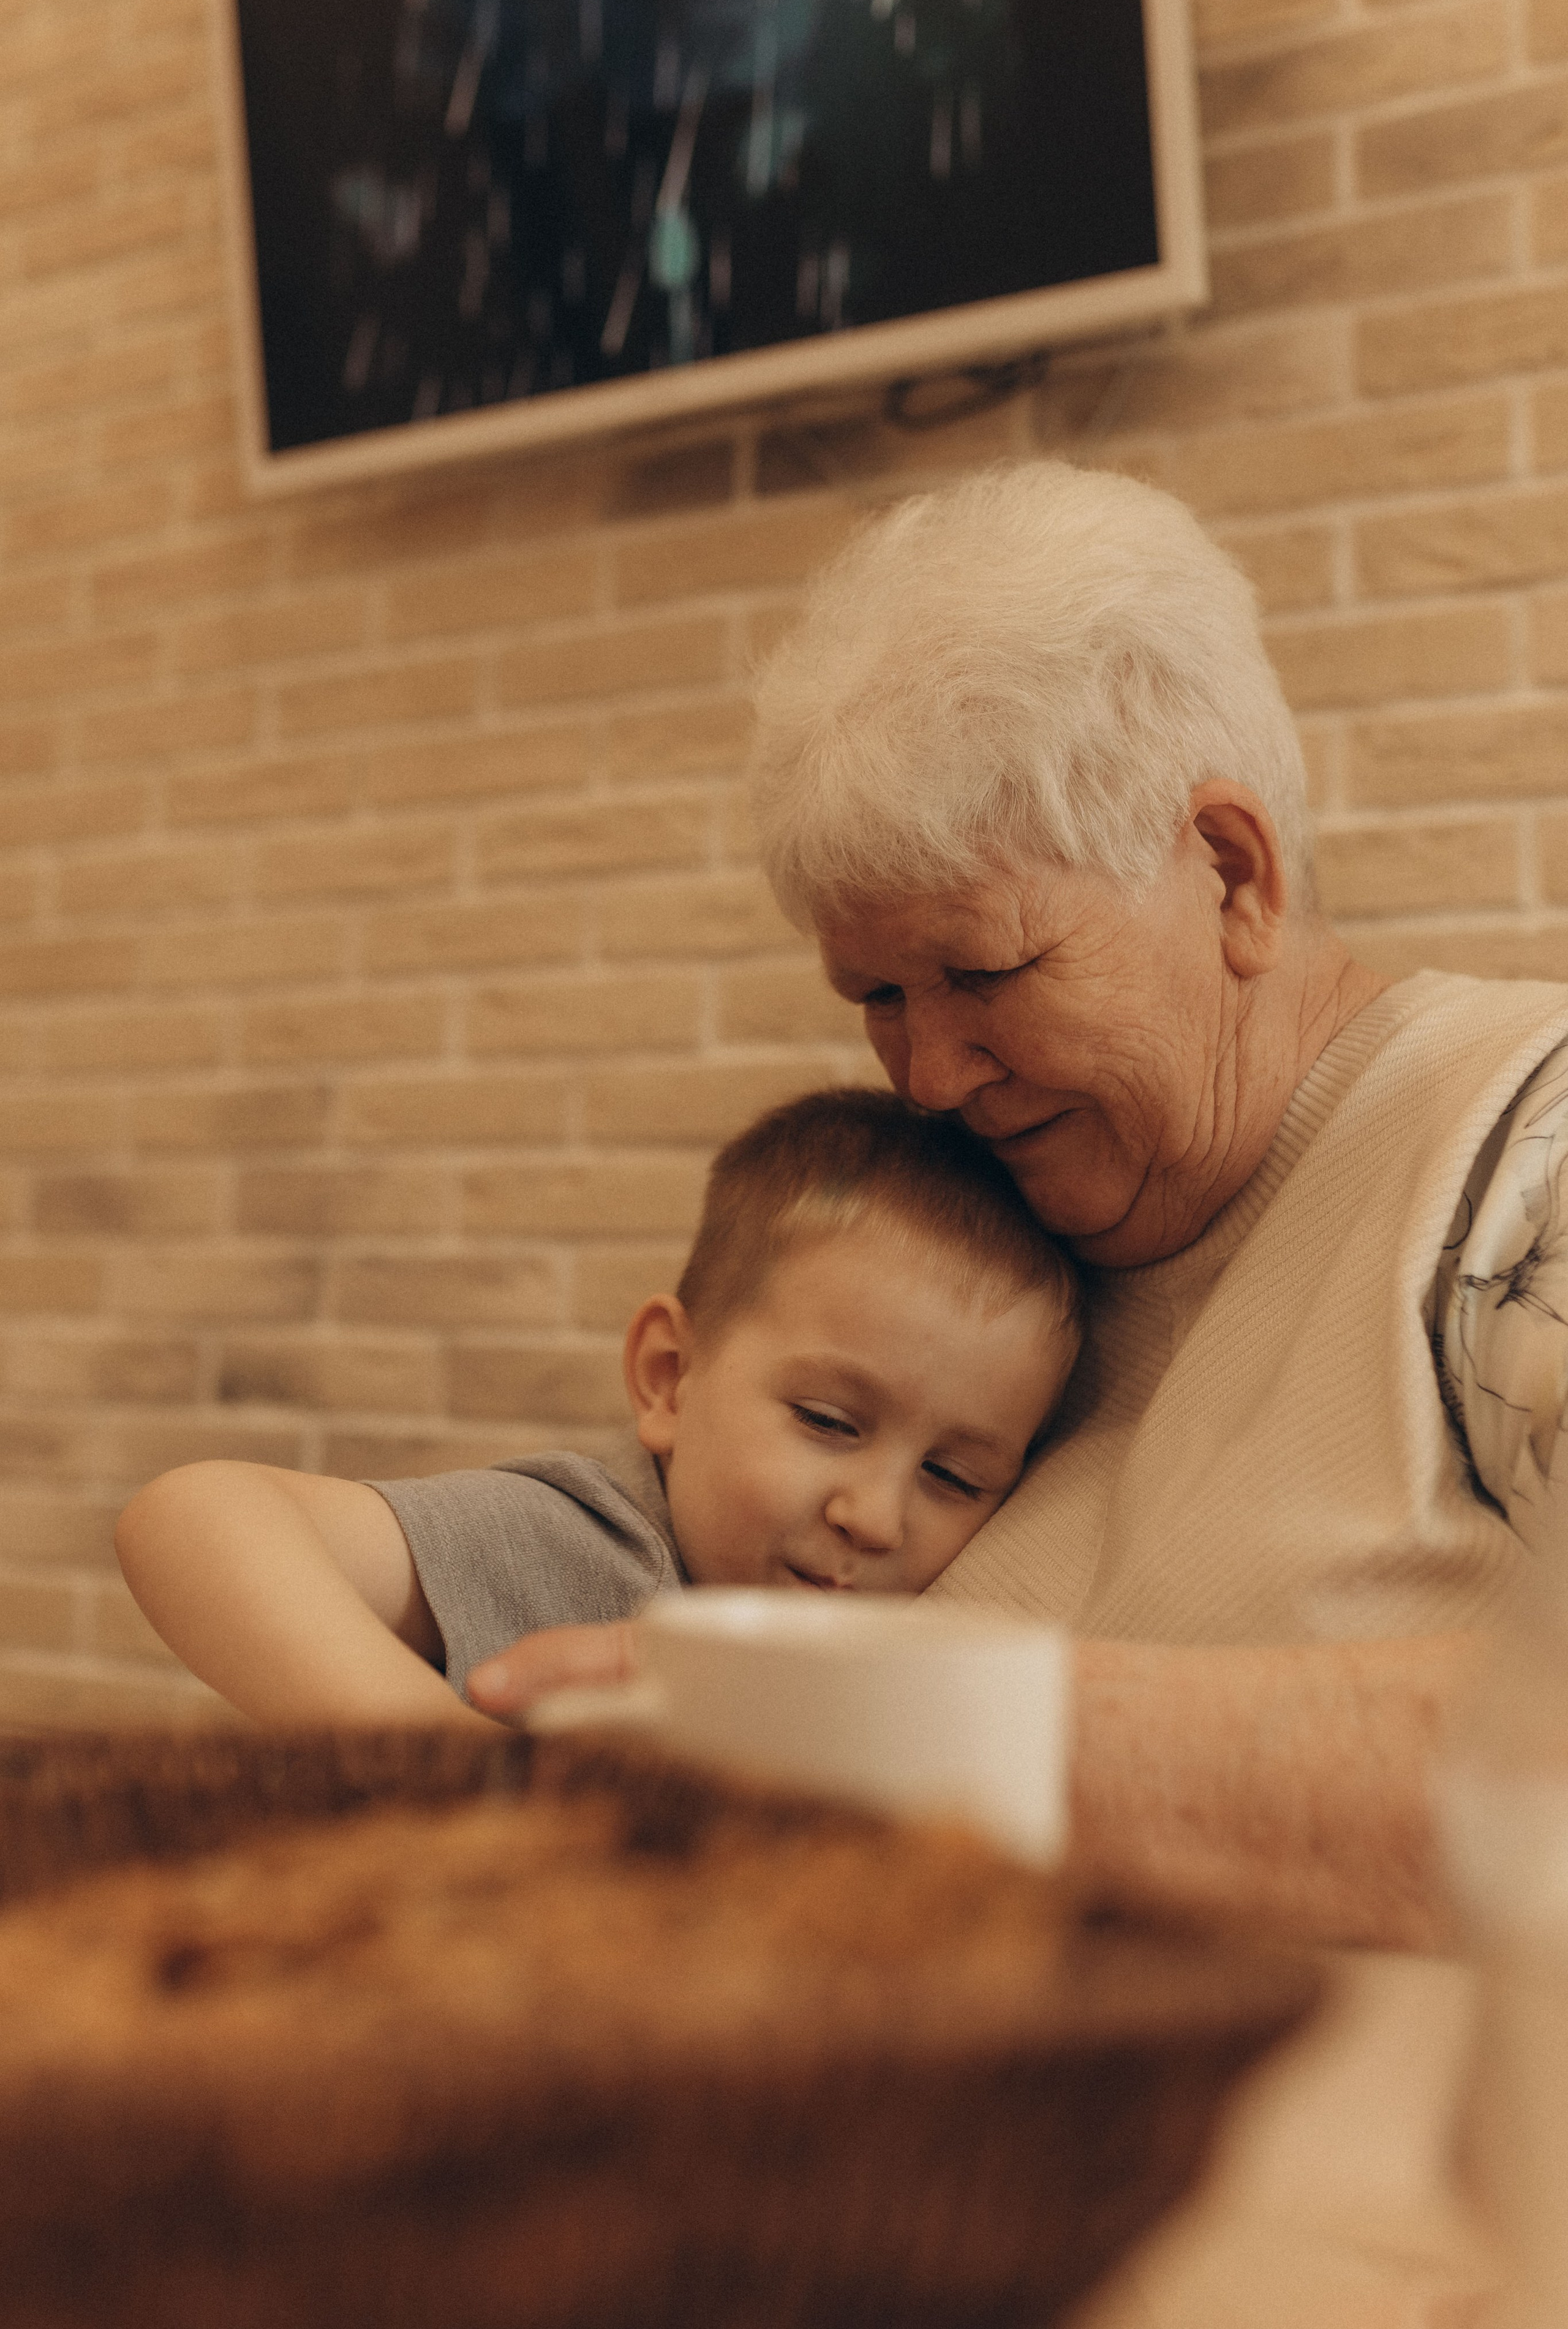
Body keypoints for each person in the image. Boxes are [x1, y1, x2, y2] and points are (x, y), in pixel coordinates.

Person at [469, 460, 1568, 1951]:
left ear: (1230, 872)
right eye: (875, 997)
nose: (924, 1074)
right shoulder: (989, 1250)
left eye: (983, 973)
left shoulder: (1519, 1151)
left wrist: (889, 1733)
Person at [114, 1090, 1081, 1726]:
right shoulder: (590, 1543)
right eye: (829, 1422)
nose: (873, 1516)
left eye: (954, 1475)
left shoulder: (903, 1657)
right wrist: (449, 1769)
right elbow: (194, 1515)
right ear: (668, 1377)